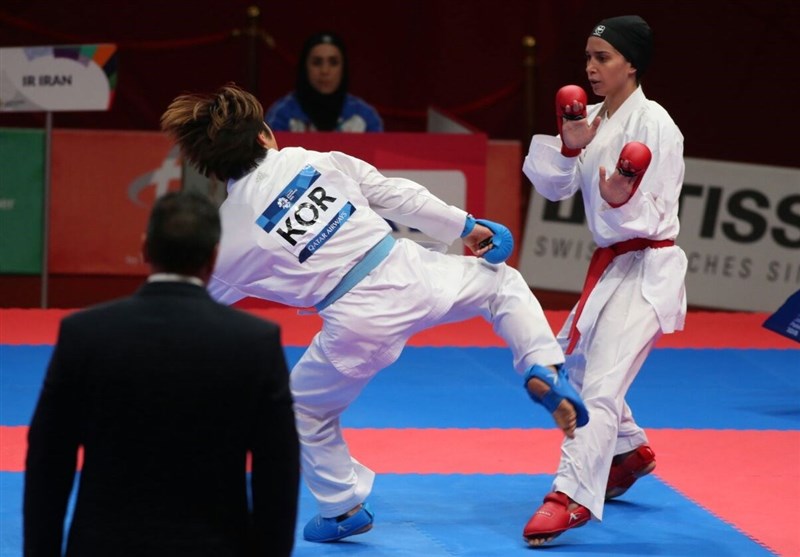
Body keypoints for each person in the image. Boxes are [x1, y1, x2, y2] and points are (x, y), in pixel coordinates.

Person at [160, 83, 589, 544]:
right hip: (410, 272)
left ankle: (341, 506)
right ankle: (543, 365)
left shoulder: (229, 233)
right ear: (265, 134)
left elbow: (194, 297)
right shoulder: (310, 160)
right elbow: (394, 194)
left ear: (212, 169)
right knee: (501, 283)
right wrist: (465, 226)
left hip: (355, 323)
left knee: (303, 409)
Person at [23, 191, 300, 557]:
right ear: (214, 256)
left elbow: (48, 459)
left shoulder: (85, 334)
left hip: (103, 545)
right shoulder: (255, 342)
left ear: (145, 249)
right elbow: (277, 472)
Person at [520, 15, 687, 546]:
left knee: (600, 386)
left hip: (649, 266)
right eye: (588, 57)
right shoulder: (591, 118)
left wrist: (620, 198)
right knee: (577, 364)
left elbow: (649, 213)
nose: (590, 68)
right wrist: (570, 148)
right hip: (613, 264)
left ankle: (569, 495)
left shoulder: (656, 125)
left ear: (631, 64)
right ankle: (627, 451)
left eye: (603, 57)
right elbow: (551, 188)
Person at [265, 31, 383, 132]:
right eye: (317, 62)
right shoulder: (281, 115)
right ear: (304, 67)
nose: (325, 71)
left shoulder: (365, 117)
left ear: (344, 68)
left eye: (333, 62)